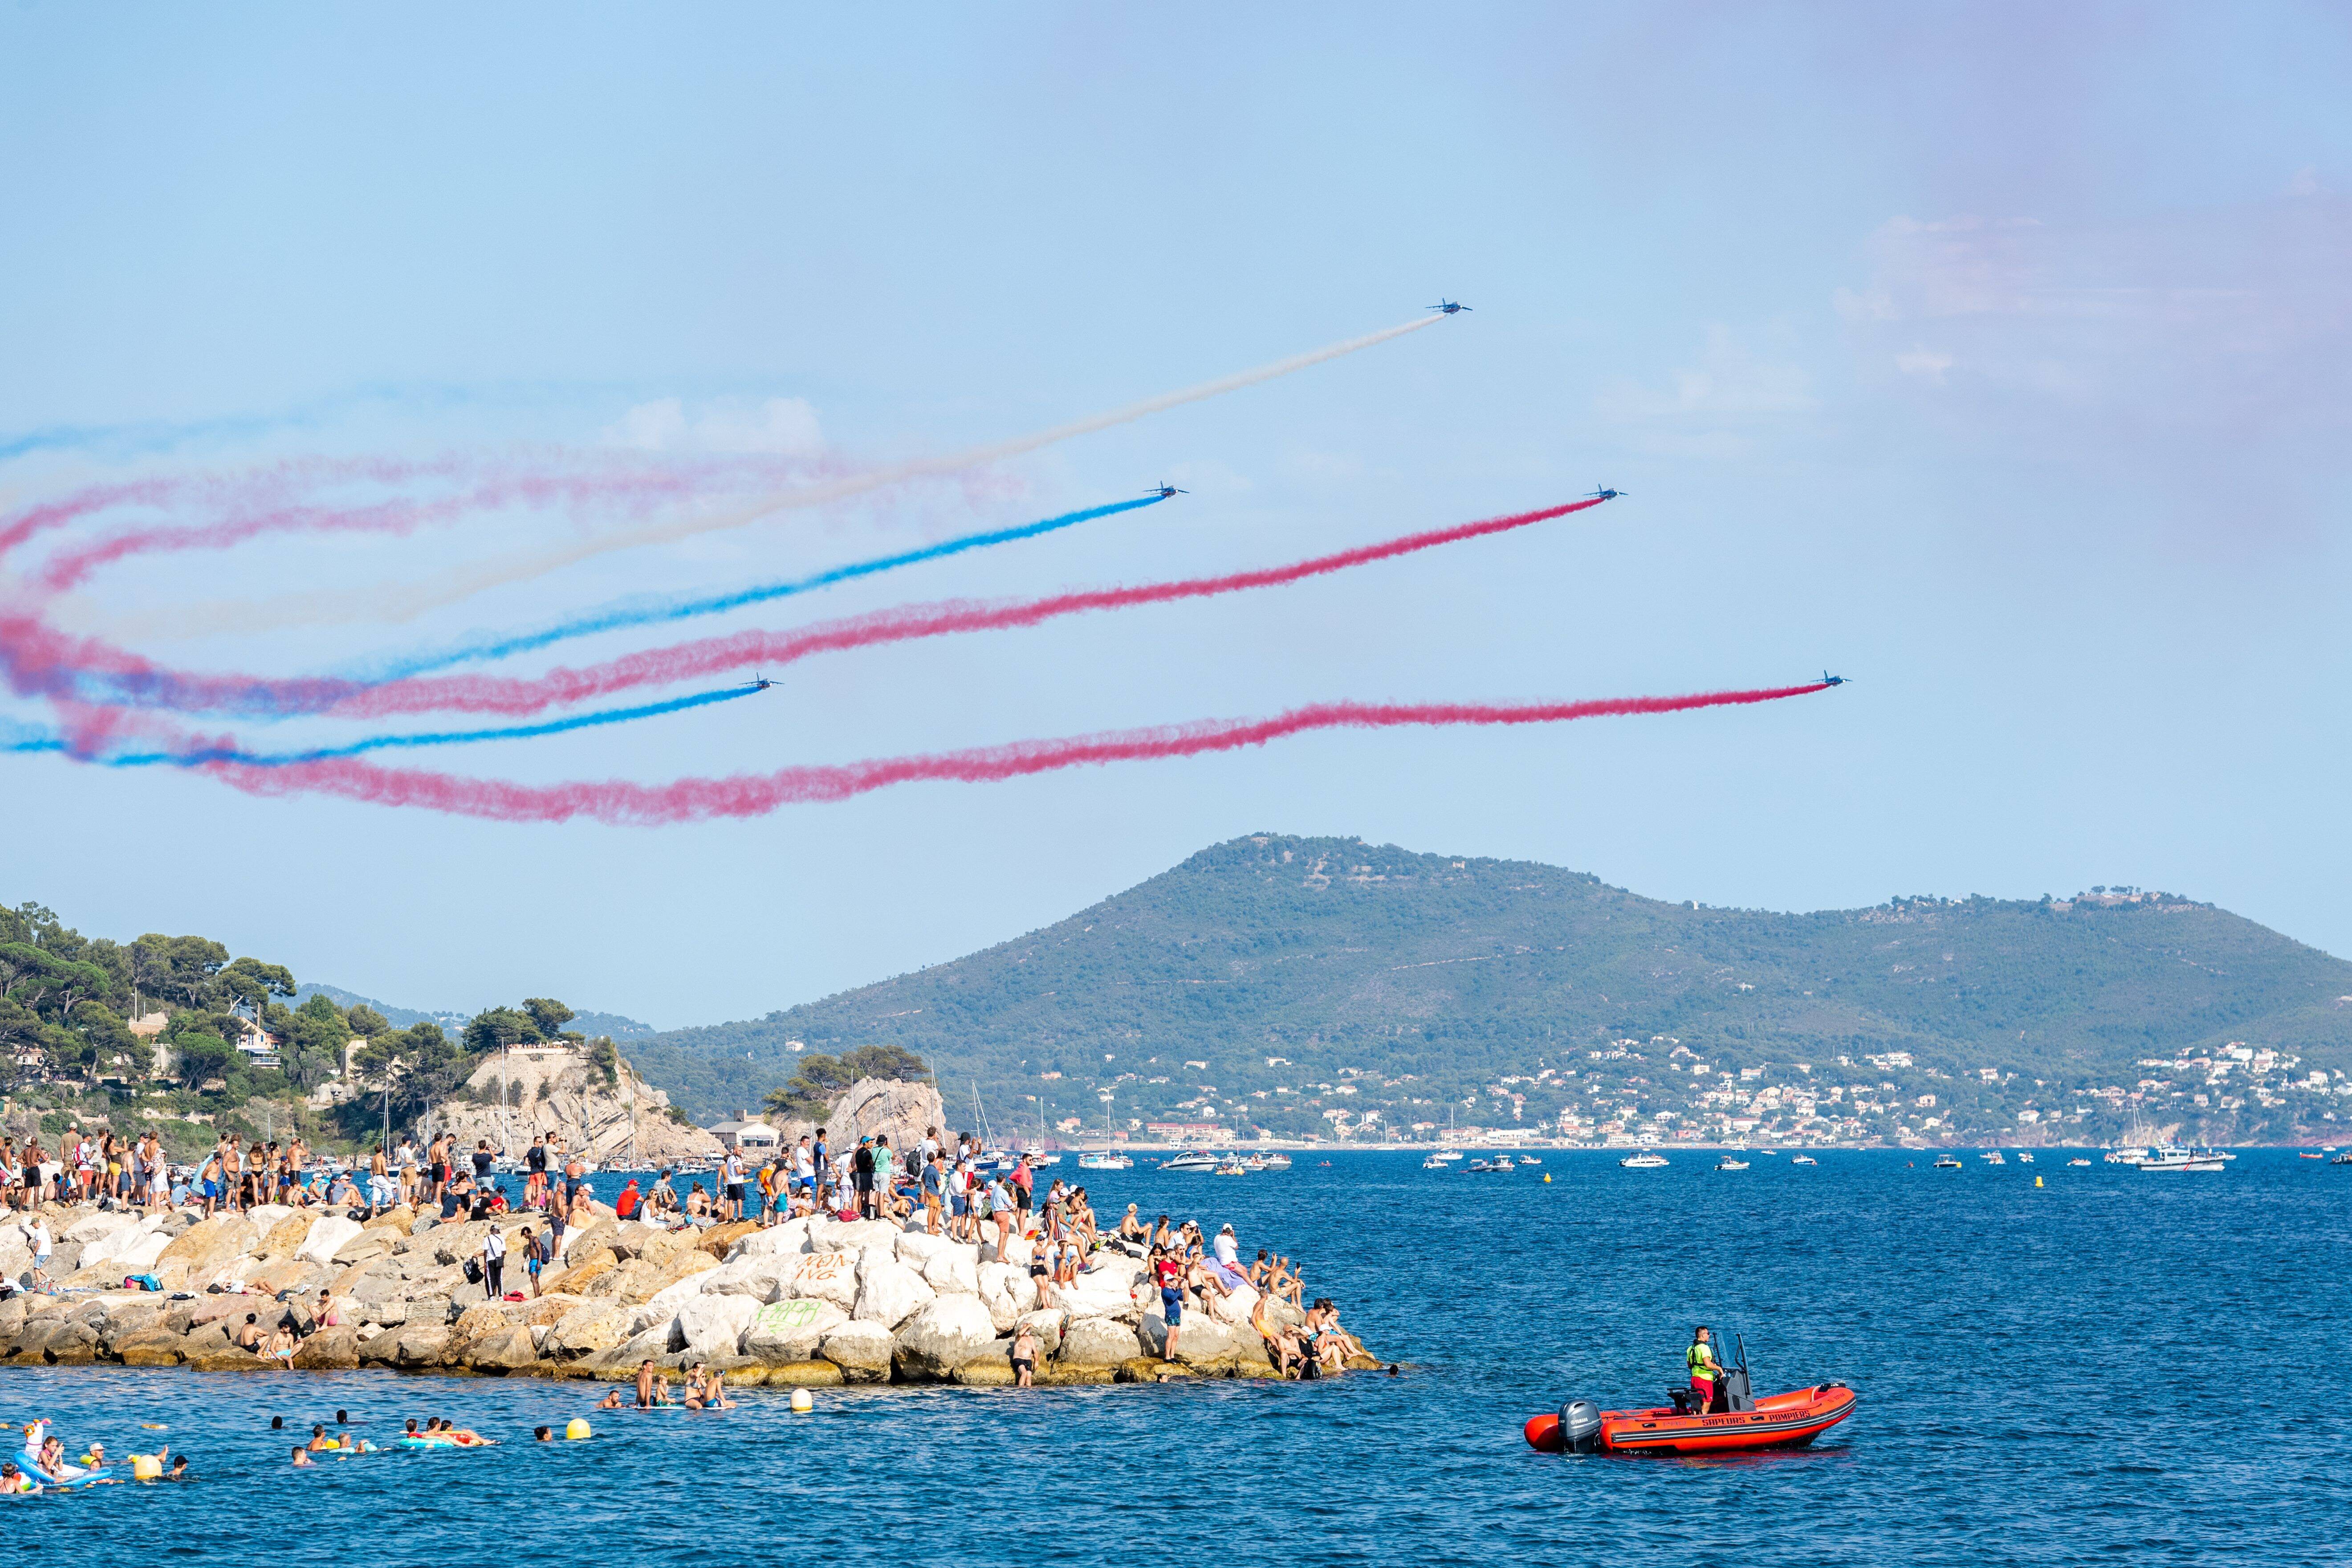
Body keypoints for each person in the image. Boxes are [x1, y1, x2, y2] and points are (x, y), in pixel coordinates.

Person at [1152, 1244, 1184, 1363]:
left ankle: (1173, 1355)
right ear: (1167, 1281)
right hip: (1170, 1315)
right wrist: (1180, 1288)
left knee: (1176, 1337)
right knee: (1170, 1337)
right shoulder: (1166, 1291)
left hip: (1177, 1315)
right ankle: (1167, 1357)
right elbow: (1172, 1299)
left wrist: (1179, 1288)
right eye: (1171, 1280)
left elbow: (1180, 1298)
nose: (1173, 1281)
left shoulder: (1173, 1290)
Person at [1687, 1326, 1723, 1414]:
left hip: (1695, 1379)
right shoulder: (1704, 1347)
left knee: (1696, 1406)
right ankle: (1701, 1425)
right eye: (1708, 1334)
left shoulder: (1691, 1348)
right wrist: (1719, 1369)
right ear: (1703, 1335)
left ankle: (1694, 1423)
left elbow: (1689, 1365)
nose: (1709, 1335)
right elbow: (1708, 1364)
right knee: (1705, 1407)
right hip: (1705, 1380)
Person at [480, 1225, 507, 1299]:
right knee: (500, 1278)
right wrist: (502, 1261)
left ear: (491, 1231)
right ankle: (501, 1295)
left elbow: (486, 1251)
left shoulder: (487, 1239)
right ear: (498, 1231)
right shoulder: (501, 1239)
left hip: (490, 1260)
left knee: (491, 1278)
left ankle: (492, 1296)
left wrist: (485, 1262)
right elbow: (504, 1252)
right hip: (499, 1260)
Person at [1011, 1319, 1038, 1387]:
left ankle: (1028, 1394)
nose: (1028, 1329)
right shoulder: (1018, 1338)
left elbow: (1035, 1352)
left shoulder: (1031, 1339)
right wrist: (1028, 1325)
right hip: (1018, 1359)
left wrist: (1037, 1361)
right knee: (1024, 1373)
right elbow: (1020, 1333)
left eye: (1029, 1329)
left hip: (1028, 1360)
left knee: (1029, 1376)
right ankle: (1020, 1391)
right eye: (1026, 1328)